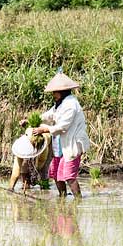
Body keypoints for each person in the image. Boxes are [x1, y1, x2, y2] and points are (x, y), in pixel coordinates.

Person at [34, 70, 89, 199]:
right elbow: (50, 114)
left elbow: (62, 127)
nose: (53, 94)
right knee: (56, 175)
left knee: (69, 176)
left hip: (71, 144)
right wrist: (34, 119)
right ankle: (62, 199)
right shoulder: (60, 104)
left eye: (55, 92)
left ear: (62, 92)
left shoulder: (71, 105)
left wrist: (44, 129)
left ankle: (78, 201)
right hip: (60, 146)